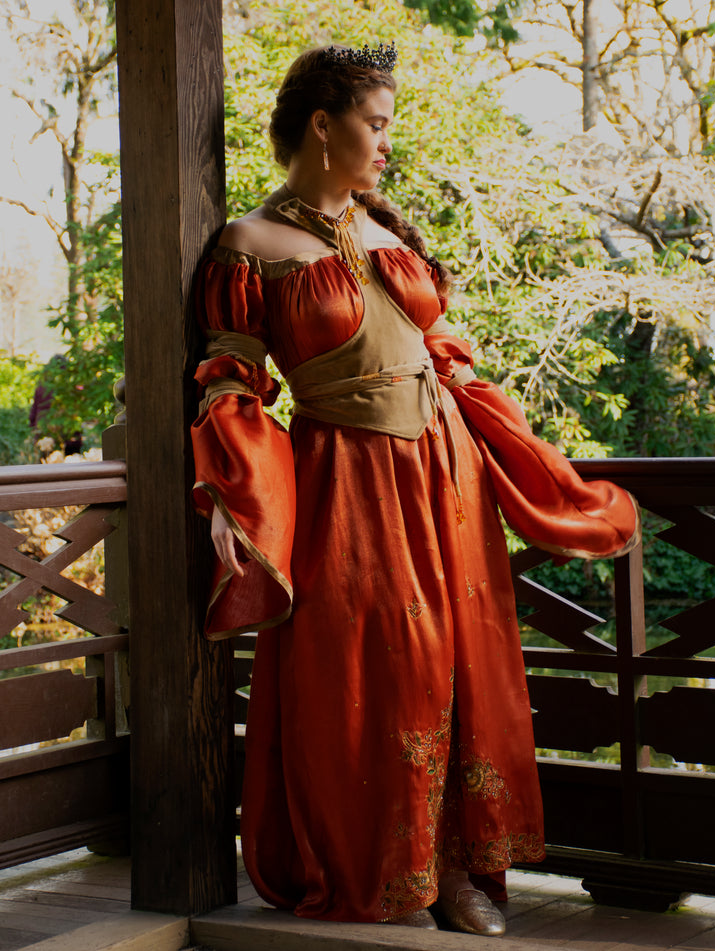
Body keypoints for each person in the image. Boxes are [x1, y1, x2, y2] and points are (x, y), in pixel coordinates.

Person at [191, 42, 639, 936]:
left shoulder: (390, 233)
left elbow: (450, 363)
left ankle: (465, 869)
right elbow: (230, 388)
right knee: (374, 672)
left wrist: (532, 463)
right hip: (344, 481)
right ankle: (390, 870)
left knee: (466, 663)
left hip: (445, 471)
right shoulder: (249, 245)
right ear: (324, 126)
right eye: (377, 123)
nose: (388, 141)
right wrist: (242, 500)